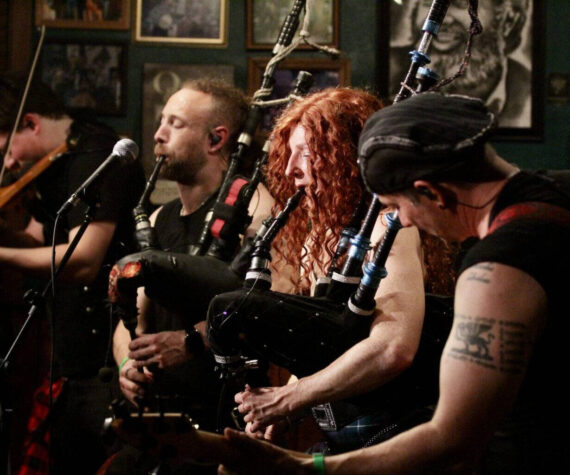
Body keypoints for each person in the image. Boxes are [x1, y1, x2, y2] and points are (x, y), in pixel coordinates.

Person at [204, 92, 570, 474]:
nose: (405, 222)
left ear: (431, 192)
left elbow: (452, 436)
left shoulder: (495, 271)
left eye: (397, 207)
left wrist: (305, 466)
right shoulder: (555, 194)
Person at [210, 87, 432, 454]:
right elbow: (325, 348)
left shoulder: (390, 228)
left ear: (345, 159)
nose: (290, 169)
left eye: (308, 154)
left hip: (395, 442)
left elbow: (393, 348)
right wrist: (287, 405)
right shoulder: (319, 240)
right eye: (289, 153)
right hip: (343, 442)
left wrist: (290, 398)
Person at [106, 79, 275, 474]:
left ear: (216, 139)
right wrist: (126, 366)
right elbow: (132, 312)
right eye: (162, 120)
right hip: (164, 420)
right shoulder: (162, 217)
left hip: (224, 421)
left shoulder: (253, 206)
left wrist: (191, 341)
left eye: (175, 124)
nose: (158, 134)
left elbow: (268, 304)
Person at [0, 73, 145, 474]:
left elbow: (83, 260)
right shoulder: (56, 163)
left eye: (7, 150)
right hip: (70, 358)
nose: (10, 164)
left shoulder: (97, 155)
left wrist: (2, 254)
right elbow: (39, 241)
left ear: (30, 123)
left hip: (105, 354)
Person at [390, 0, 531, 127]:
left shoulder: (528, 92)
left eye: (461, 4)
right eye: (427, 2)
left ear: (508, 21)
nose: (444, 21)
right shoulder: (393, 71)